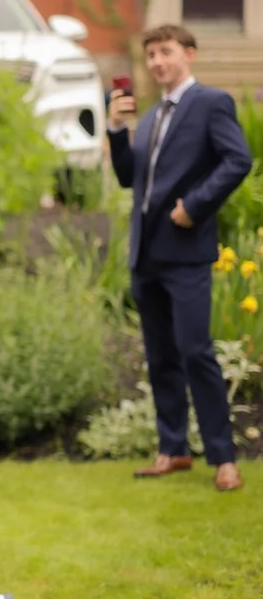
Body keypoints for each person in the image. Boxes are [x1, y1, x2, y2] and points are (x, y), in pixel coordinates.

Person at [109, 24, 251, 492]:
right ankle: (172, 450)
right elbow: (131, 179)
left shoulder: (210, 103)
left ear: (188, 54)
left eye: (165, 52)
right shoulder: (149, 118)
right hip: (145, 255)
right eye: (150, 54)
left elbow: (238, 160)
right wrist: (116, 129)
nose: (156, 62)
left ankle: (224, 458)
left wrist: (195, 205)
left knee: (196, 353)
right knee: (161, 357)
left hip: (186, 254)